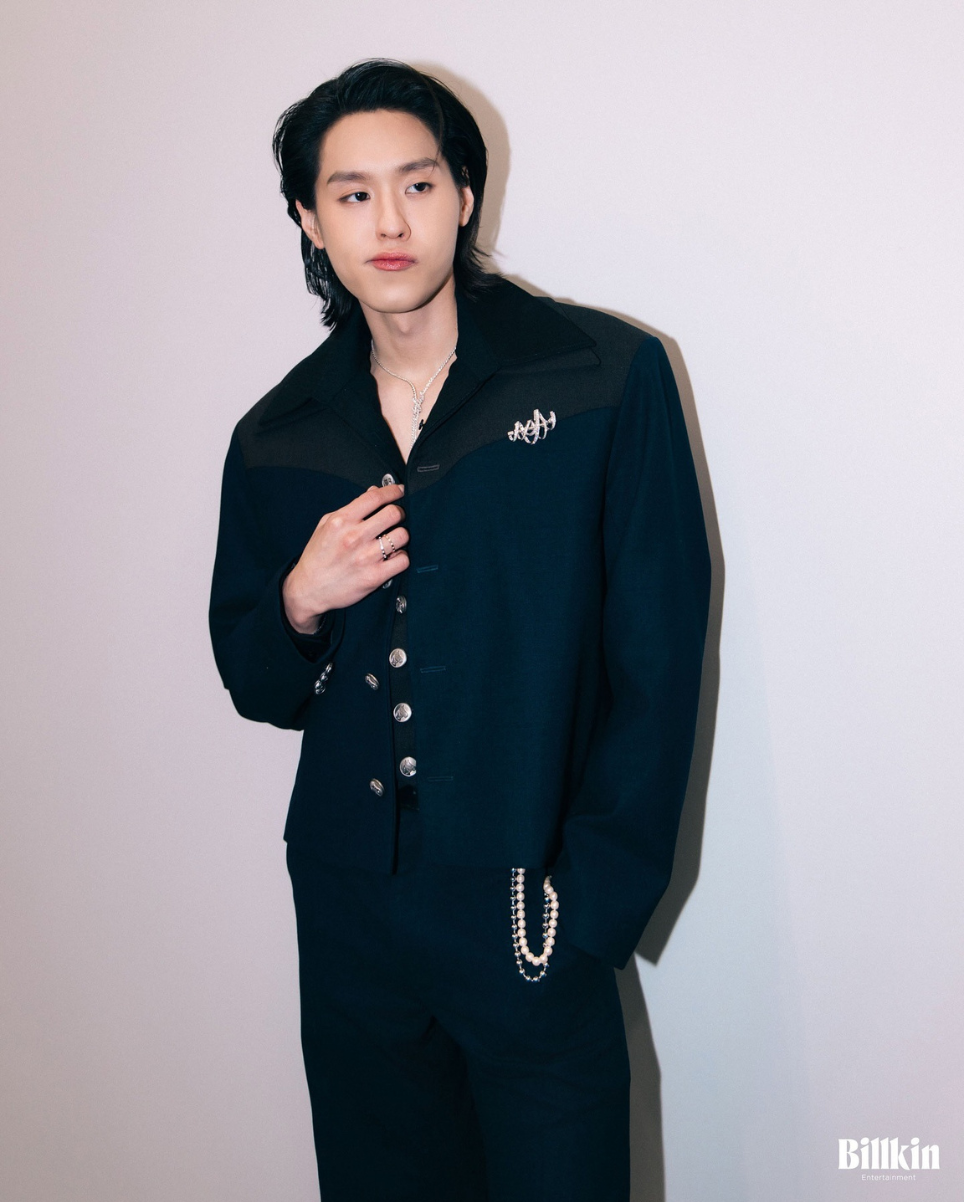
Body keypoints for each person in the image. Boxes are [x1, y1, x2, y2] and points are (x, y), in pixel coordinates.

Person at [208, 58, 711, 1202]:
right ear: (309, 219)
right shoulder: (279, 431)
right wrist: (298, 599)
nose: (388, 221)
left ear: (464, 195)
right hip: (350, 911)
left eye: (418, 184)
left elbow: (659, 649)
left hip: (529, 898)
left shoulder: (598, 377)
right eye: (351, 193)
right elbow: (256, 679)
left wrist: (589, 905)